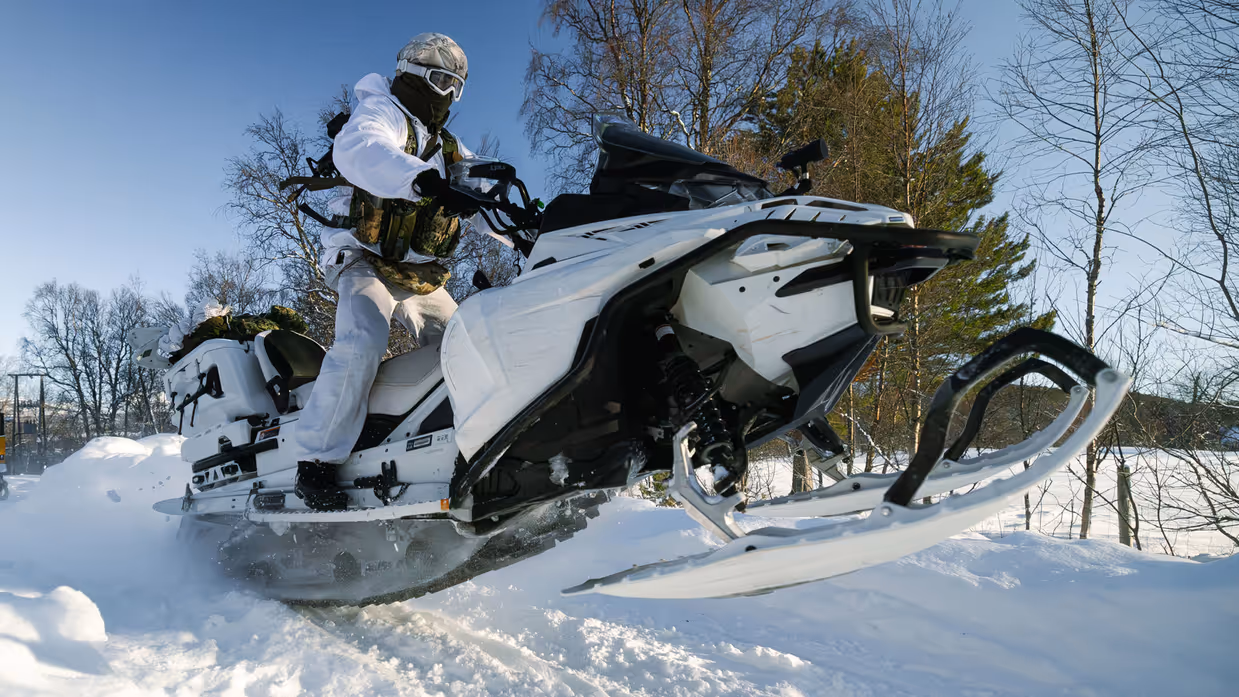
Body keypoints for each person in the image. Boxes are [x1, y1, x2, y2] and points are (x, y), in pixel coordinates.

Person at [292, 33, 486, 510]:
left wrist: (534, 222)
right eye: (441, 80)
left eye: (456, 87)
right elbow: (362, 149)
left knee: (467, 344)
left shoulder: (448, 146)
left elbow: (483, 189)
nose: (447, 95)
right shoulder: (380, 112)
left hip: (417, 273)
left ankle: (467, 442)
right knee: (361, 341)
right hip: (364, 259)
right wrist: (419, 178)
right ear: (414, 74)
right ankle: (314, 464)